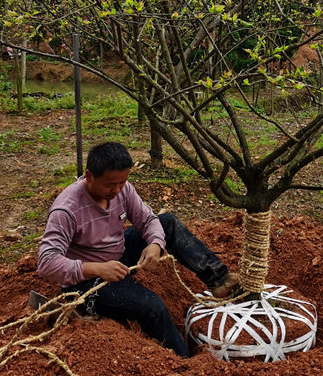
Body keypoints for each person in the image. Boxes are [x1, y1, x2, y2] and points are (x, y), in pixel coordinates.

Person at [37, 141, 239, 357]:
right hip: (88, 282)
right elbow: (47, 263)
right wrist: (98, 269)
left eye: (122, 182)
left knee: (167, 223)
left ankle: (219, 280)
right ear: (89, 176)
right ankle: (184, 363)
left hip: (118, 258)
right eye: (110, 185)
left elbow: (148, 220)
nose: (116, 190)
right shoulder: (67, 209)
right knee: (152, 307)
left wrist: (155, 243)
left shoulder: (123, 190)